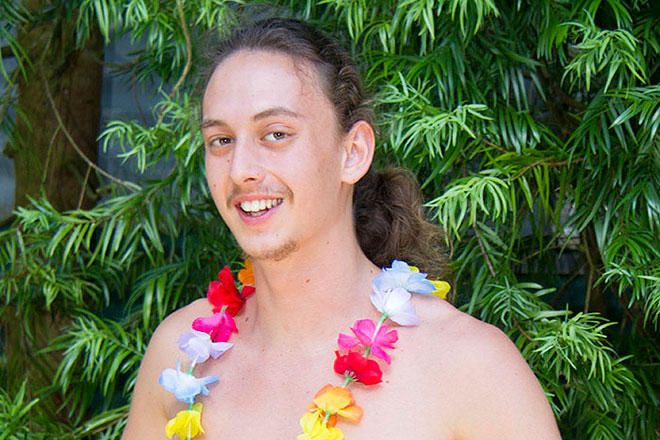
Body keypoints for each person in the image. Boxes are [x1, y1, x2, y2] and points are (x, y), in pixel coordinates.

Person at [122, 18, 561, 440]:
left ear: (353, 153)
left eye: (276, 134)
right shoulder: (182, 355)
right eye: (221, 140)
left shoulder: (469, 367)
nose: (240, 170)